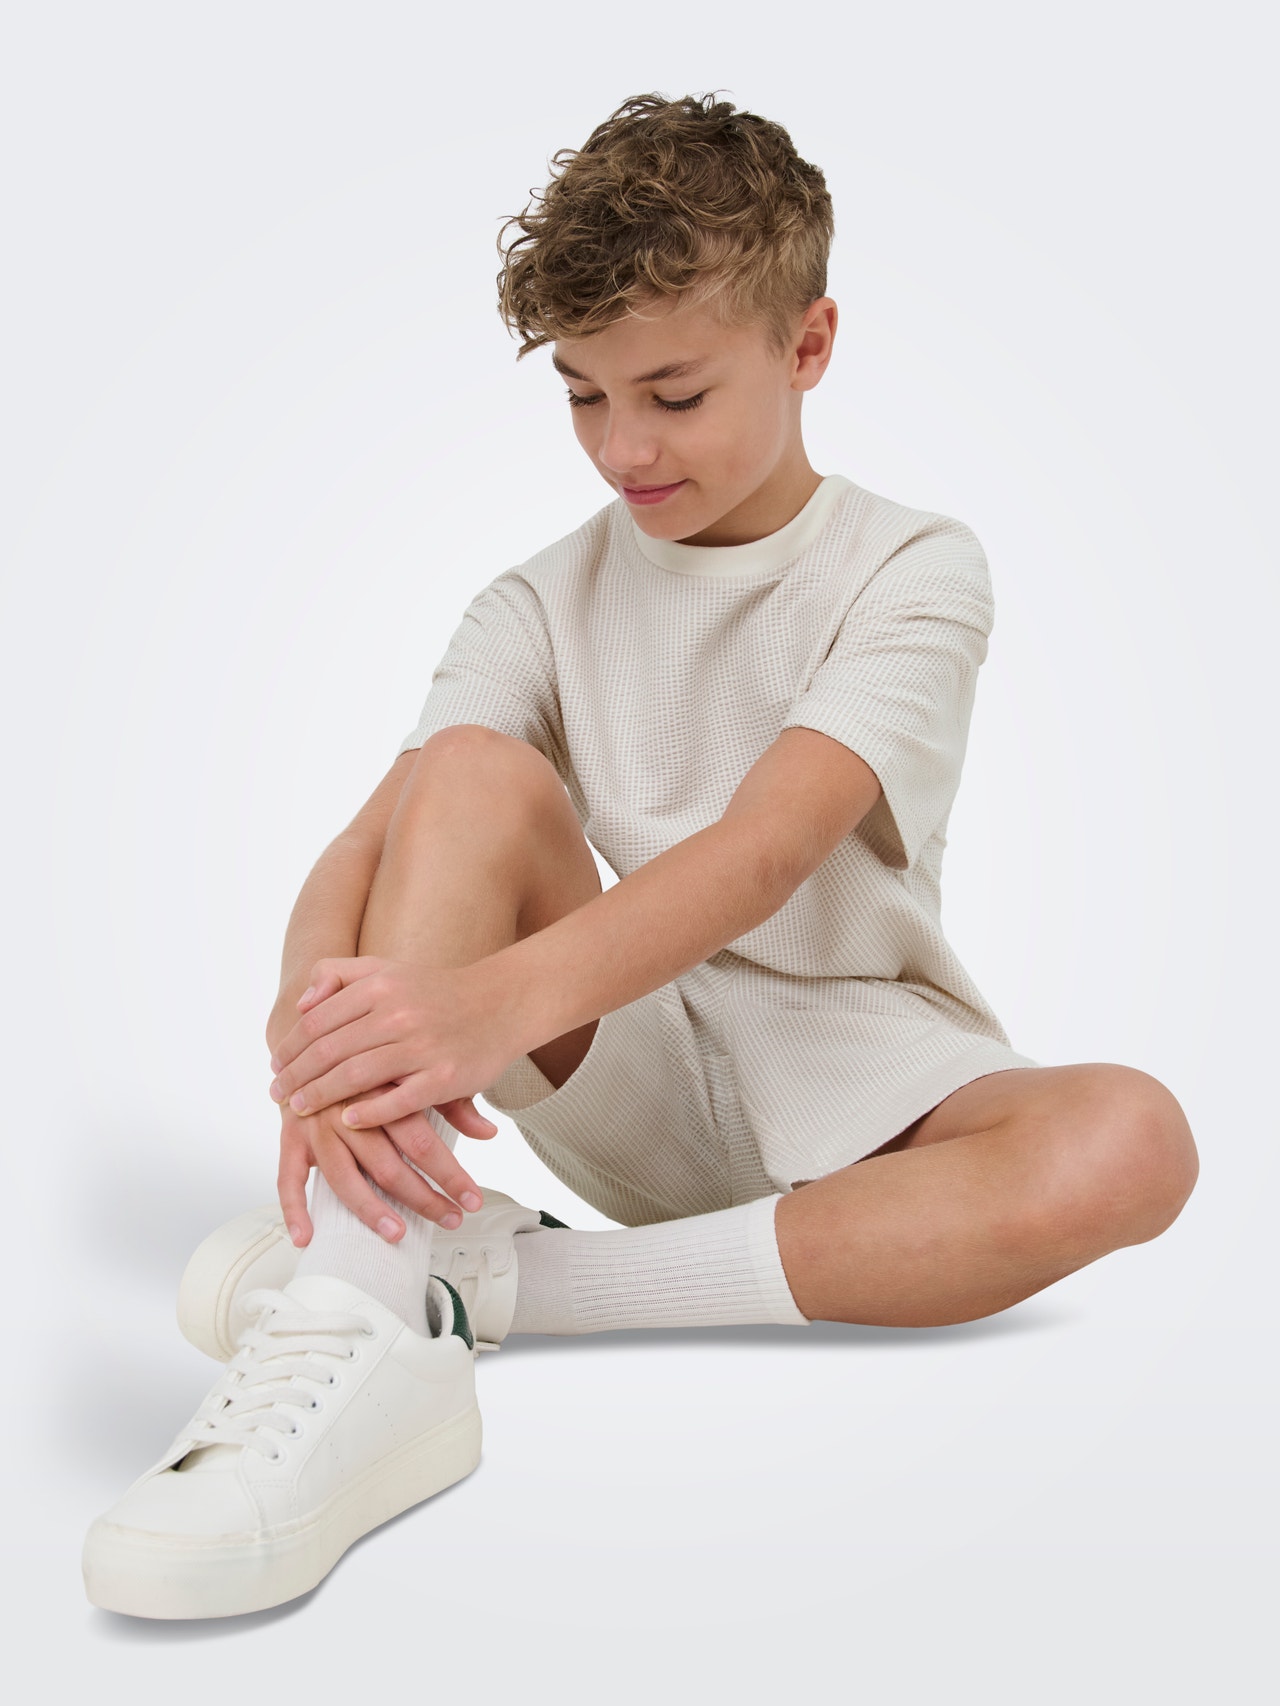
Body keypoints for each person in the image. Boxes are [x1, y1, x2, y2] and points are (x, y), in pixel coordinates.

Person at [83, 92, 1198, 1620]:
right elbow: (369, 838)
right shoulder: (537, 600)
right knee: (468, 775)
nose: (623, 447)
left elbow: (765, 849)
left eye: (673, 393)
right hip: (634, 1064)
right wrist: (316, 1040)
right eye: (584, 396)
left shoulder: (914, 566)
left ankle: (484, 1282)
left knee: (1135, 1138)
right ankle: (352, 1309)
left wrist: (474, 1010)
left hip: (864, 1075)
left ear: (808, 346)